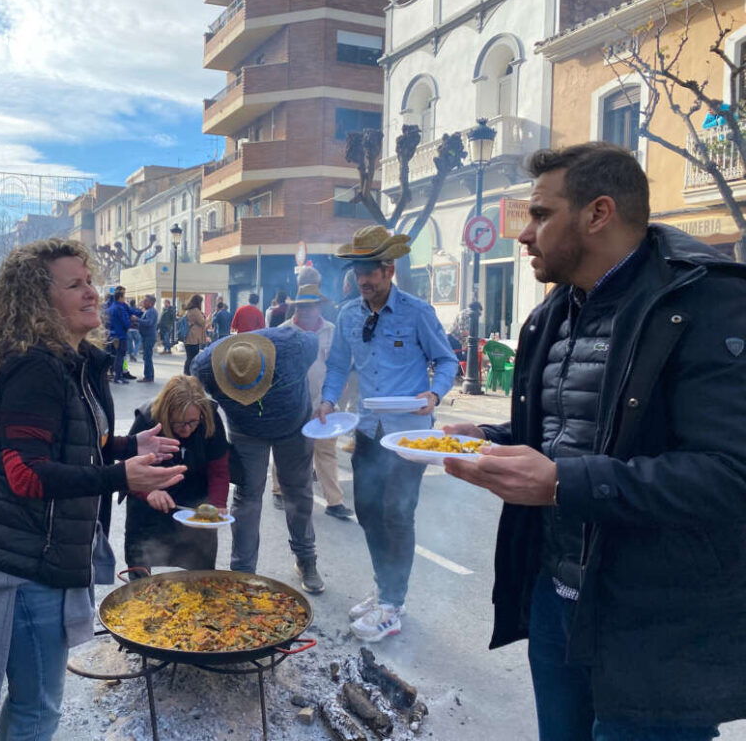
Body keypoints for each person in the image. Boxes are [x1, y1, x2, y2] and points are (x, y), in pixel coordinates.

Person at [442, 143, 746, 741]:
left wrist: (560, 484)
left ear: (598, 213)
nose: (523, 235)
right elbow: (571, 435)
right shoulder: (553, 312)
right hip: (557, 599)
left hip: (656, 626)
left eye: (540, 215)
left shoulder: (706, 301)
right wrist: (488, 439)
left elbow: (730, 473)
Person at [0, 238, 183, 739]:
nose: (92, 292)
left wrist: (123, 444)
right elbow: (28, 474)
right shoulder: (35, 366)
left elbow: (69, 441)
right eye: (74, 285)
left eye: (90, 281)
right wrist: (122, 476)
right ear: (37, 300)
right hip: (21, 563)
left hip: (30, 552)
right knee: (39, 711)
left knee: (33, 704)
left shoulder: (68, 359)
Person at [318, 224, 457, 642]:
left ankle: (393, 604)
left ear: (389, 269)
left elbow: (447, 361)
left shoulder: (418, 312)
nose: (363, 280)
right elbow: (340, 365)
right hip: (367, 429)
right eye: (358, 271)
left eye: (371, 271)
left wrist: (433, 394)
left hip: (410, 434)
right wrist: (327, 400)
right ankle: (384, 588)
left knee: (398, 514)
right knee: (368, 512)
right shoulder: (348, 314)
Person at [192, 329, 326, 594]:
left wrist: (327, 398)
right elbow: (193, 397)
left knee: (298, 493)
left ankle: (306, 559)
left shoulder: (294, 345)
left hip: (293, 427)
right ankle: (242, 572)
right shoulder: (204, 366)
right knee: (247, 497)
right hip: (246, 432)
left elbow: (321, 349)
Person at [125, 375, 230, 573]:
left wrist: (217, 503)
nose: (187, 429)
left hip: (194, 500)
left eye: (192, 422)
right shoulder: (148, 419)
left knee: (201, 573)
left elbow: (219, 469)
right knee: (141, 573)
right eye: (178, 423)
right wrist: (149, 492)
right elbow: (127, 468)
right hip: (148, 509)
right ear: (166, 415)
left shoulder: (209, 418)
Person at [273, 282, 353, 520]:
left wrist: (333, 397)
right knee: (287, 451)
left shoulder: (331, 330)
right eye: (302, 307)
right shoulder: (284, 331)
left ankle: (334, 502)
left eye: (311, 306)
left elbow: (340, 365)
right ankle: (278, 489)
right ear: (296, 308)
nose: (306, 311)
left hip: (324, 404)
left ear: (319, 307)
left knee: (326, 454)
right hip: (292, 404)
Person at [107, 286, 141, 384]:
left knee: (118, 356)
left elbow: (131, 311)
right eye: (124, 294)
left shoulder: (111, 307)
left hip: (112, 335)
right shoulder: (120, 307)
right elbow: (126, 320)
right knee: (121, 356)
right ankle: (119, 375)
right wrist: (132, 322)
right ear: (120, 296)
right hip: (121, 335)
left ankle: (121, 373)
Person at [182, 294, 208, 376]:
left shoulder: (189, 310)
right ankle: (189, 373)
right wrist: (209, 319)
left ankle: (186, 372)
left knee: (189, 356)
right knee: (193, 356)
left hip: (189, 337)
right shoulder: (195, 311)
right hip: (193, 338)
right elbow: (202, 322)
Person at [136, 294, 159, 382]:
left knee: (147, 357)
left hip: (149, 337)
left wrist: (137, 320)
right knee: (147, 357)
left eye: (146, 301)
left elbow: (149, 322)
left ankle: (148, 376)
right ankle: (149, 375)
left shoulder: (151, 311)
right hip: (147, 336)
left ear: (151, 303)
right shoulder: (148, 311)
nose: (143, 302)